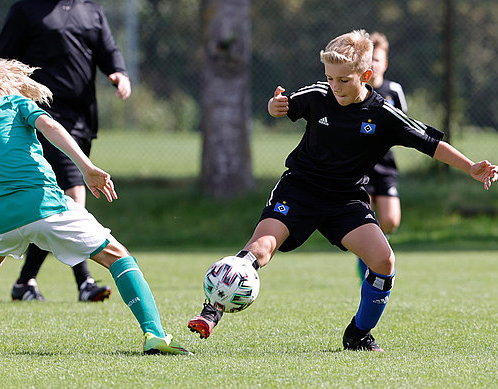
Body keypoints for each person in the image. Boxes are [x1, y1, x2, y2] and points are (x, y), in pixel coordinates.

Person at [188, 30, 497, 351]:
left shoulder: (383, 113)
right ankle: (213, 309)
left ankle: (359, 334)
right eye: (330, 78)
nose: (335, 86)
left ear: (366, 75)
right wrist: (273, 105)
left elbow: (431, 144)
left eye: (343, 80)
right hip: (299, 190)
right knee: (260, 248)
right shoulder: (319, 94)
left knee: (383, 261)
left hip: (346, 200)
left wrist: (471, 166)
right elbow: (282, 105)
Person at [0, 58, 189, 356]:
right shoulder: (14, 104)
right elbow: (50, 124)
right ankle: (154, 334)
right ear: (5, 85)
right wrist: (86, 167)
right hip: (43, 204)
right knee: (117, 255)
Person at [0, 0, 132, 302]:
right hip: (43, 117)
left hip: (82, 116)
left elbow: (107, 50)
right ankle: (84, 281)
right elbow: (2, 64)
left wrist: (119, 73)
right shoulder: (26, 9)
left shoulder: (91, 10)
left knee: (52, 204)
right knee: (73, 194)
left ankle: (24, 281)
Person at [356, 32, 408, 279]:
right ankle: (367, 255)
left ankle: (376, 246)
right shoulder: (357, 90)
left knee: (390, 220)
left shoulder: (393, 90)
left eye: (377, 59)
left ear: (385, 62)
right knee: (364, 215)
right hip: (360, 166)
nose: (373, 64)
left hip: (385, 165)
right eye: (369, 60)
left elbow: (405, 125)